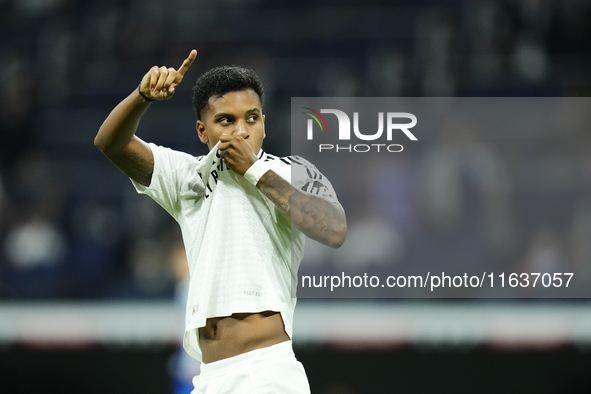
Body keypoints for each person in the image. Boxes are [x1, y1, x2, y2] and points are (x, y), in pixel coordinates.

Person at [94, 49, 347, 394]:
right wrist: (142, 97)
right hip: (208, 377)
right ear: (202, 131)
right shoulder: (186, 177)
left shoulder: (291, 171)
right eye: (226, 120)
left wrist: (253, 170)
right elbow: (110, 143)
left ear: (264, 123)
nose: (241, 131)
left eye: (252, 118)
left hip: (266, 371)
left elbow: (334, 230)